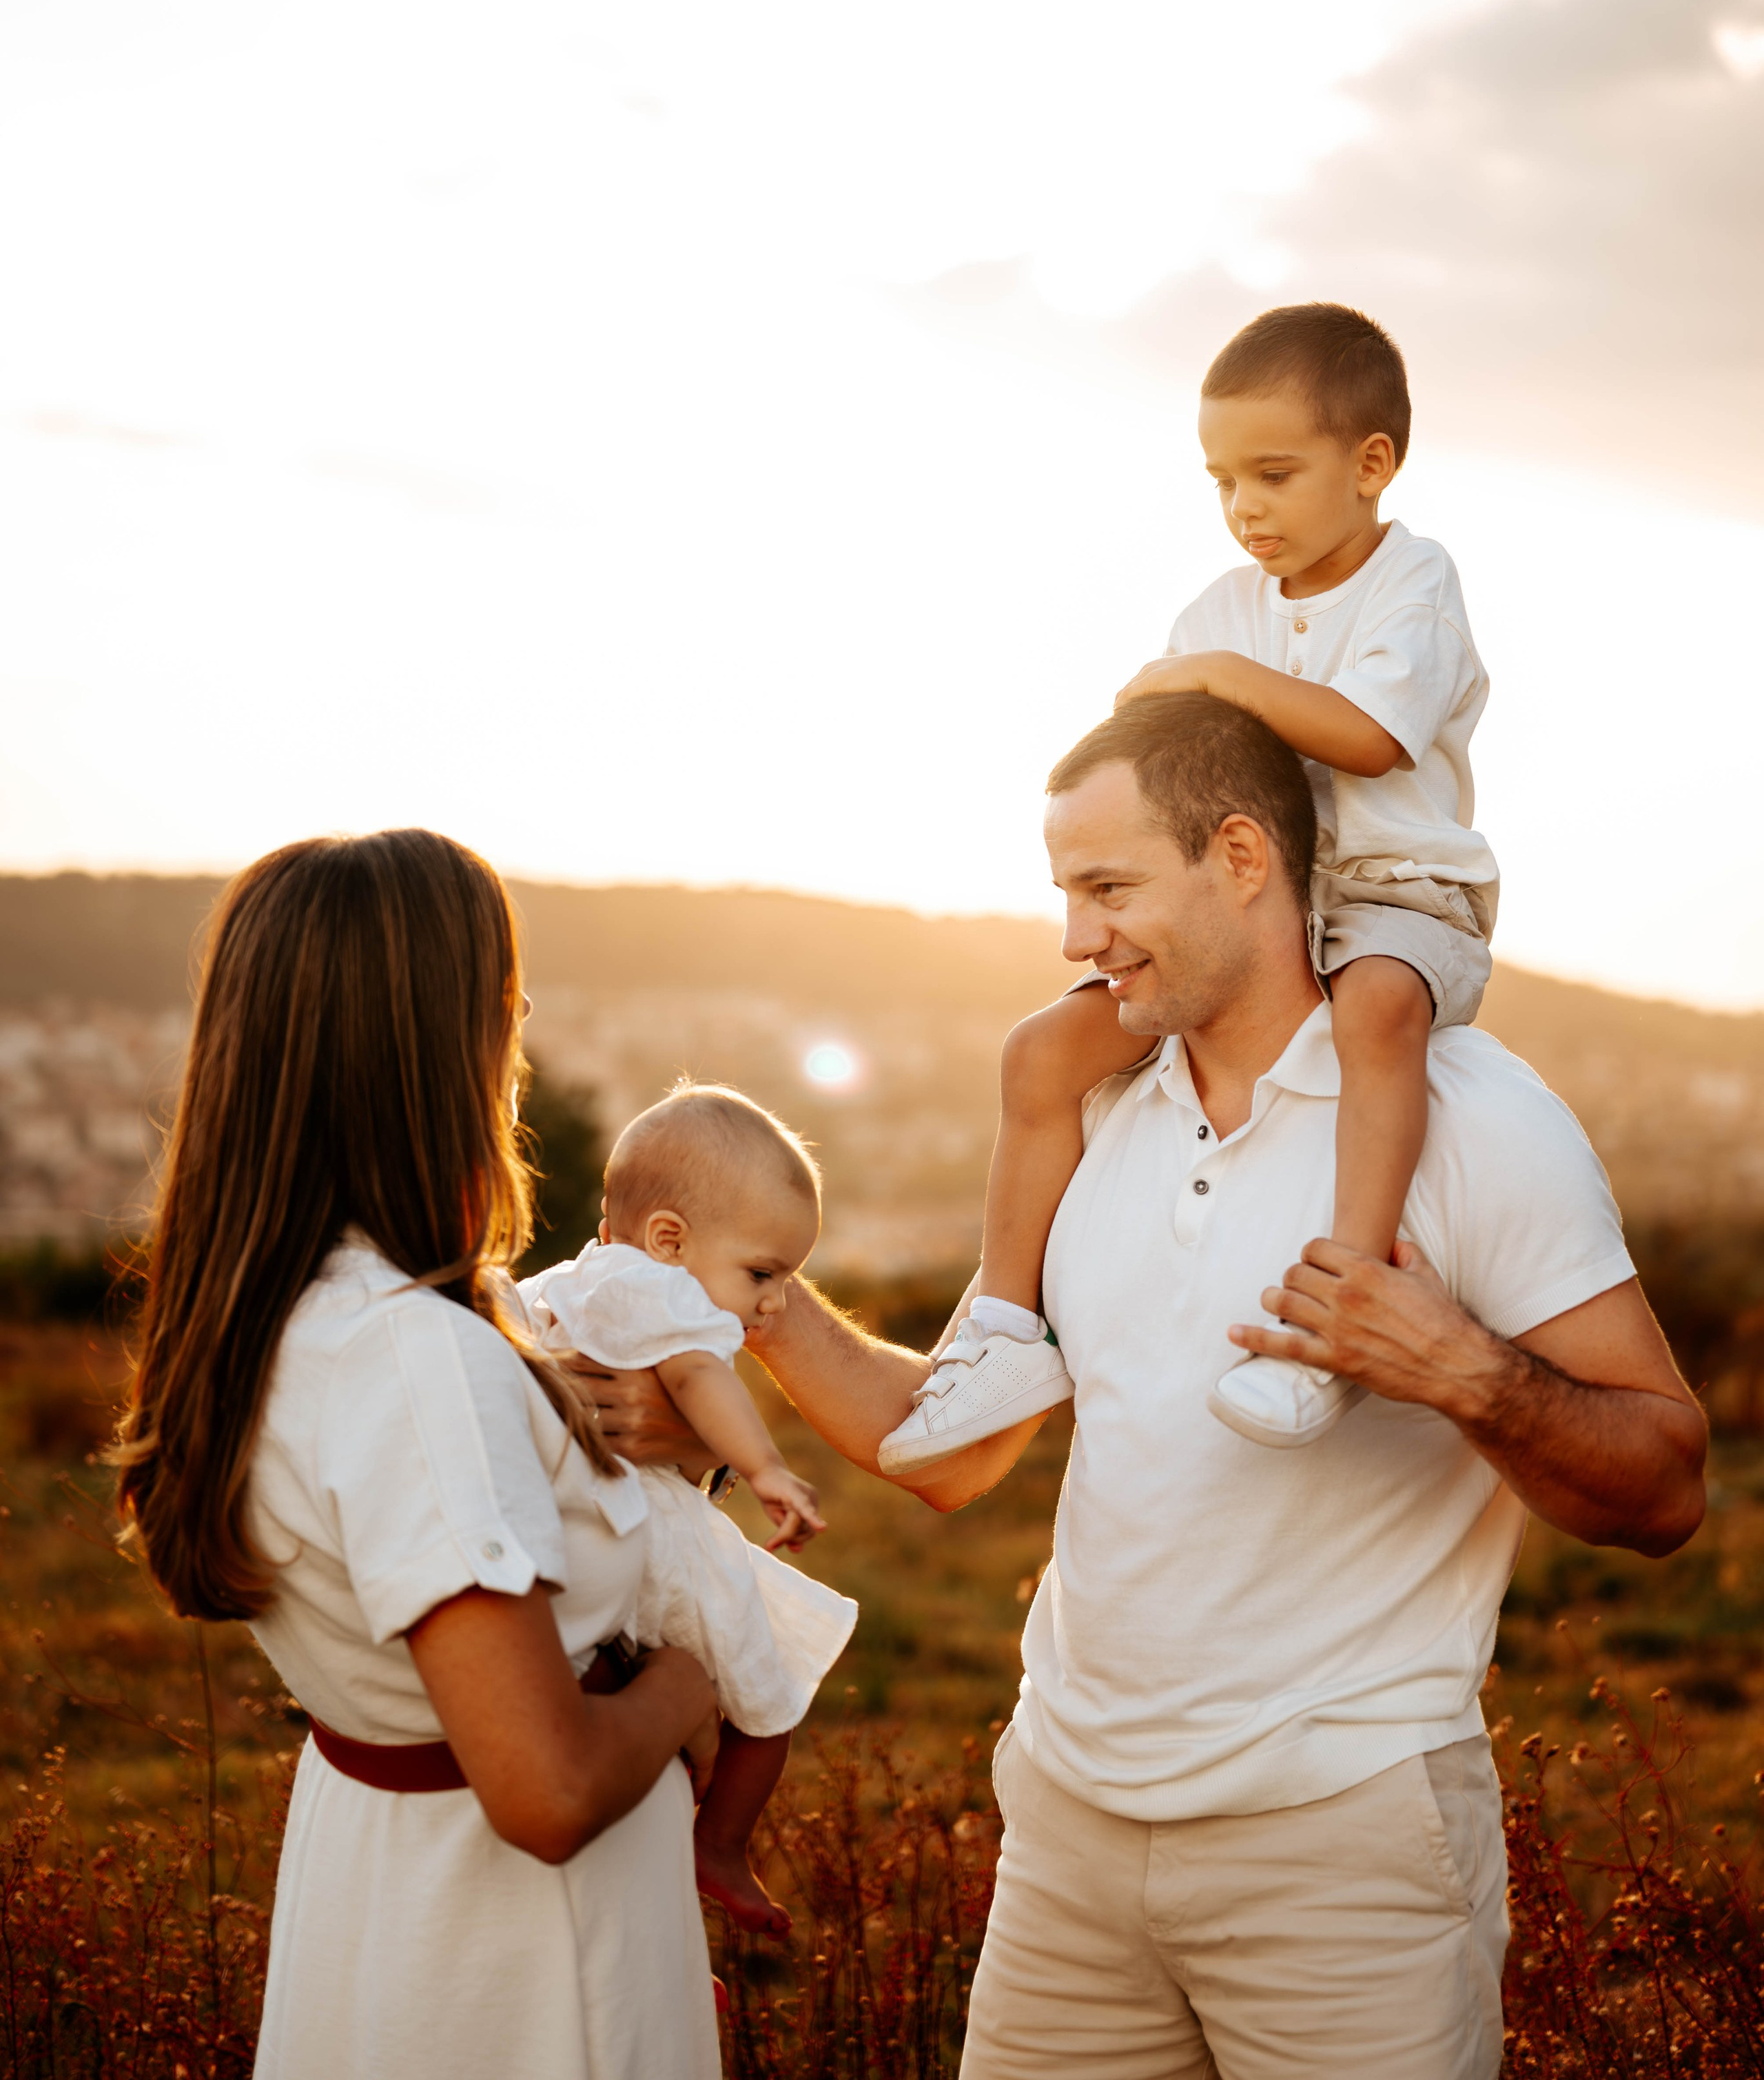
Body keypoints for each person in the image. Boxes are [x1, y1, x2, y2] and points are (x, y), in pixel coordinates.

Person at [581, 696, 1707, 2079]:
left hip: (1341, 1853)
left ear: (1240, 856)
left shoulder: (1470, 1119)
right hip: (1065, 1837)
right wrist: (728, 1290)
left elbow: (1663, 1484)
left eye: (1107, 887)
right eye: (1063, 891)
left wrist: (1463, 1372)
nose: (1073, 937)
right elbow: (944, 1450)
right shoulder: (1094, 1110)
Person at [115, 829, 724, 2080]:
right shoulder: (411, 1360)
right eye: (503, 1000)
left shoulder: (288, 1315)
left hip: (378, 1886)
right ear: (426, 1049)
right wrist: (687, 1685)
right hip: (515, 1963)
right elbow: (544, 1789)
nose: (525, 1028)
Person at [881, 300, 1501, 1470]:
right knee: (1042, 1053)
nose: (1245, 509)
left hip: (1398, 895)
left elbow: (1371, 737)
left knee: (1378, 1008)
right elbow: (1170, 754)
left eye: (1274, 473)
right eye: (1222, 482)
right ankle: (1007, 1325)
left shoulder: (1413, 586)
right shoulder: (1222, 610)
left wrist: (1215, 679)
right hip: (1262, 906)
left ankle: (1339, 1306)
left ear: (1373, 464)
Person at [527, 1082, 858, 1937]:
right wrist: (767, 1468)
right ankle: (719, 1844)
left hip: (566, 1539)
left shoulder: (571, 1278)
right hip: (654, 1538)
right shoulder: (665, 1293)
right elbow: (698, 1377)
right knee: (769, 1691)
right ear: (669, 1239)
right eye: (762, 1273)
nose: (775, 1302)